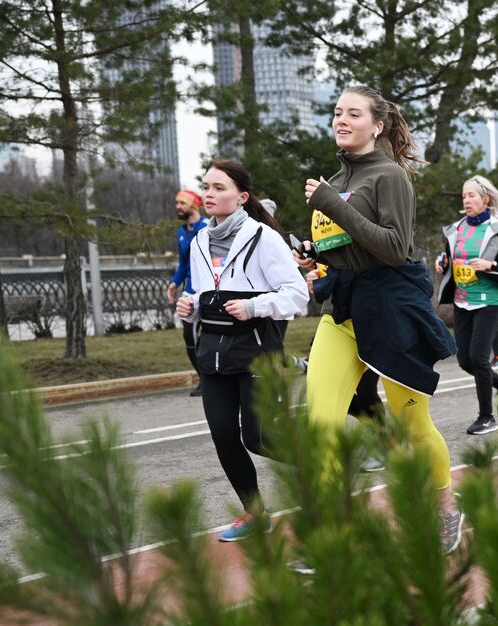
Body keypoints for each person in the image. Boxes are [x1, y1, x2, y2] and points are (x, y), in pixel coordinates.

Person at [300, 84, 464, 553]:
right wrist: (314, 261)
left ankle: (445, 509)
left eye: (353, 113)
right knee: (322, 425)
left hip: (391, 308)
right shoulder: (338, 179)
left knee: (412, 425)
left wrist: (331, 204)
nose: (341, 120)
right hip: (343, 313)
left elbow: (393, 247)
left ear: (378, 125)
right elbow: (344, 247)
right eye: (337, 112)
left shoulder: (389, 176)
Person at [176, 160, 308, 541]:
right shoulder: (201, 239)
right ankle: (255, 514)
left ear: (242, 197)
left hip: (255, 352)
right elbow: (204, 294)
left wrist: (254, 306)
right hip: (214, 353)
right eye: (206, 186)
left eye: (219, 187)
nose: (209, 193)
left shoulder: (263, 238)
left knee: (257, 437)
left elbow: (296, 295)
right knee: (223, 435)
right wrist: (190, 305)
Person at [436, 175, 498, 435]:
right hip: (463, 301)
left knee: (480, 358)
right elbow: (449, 258)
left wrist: (490, 266)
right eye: (464, 196)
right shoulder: (456, 229)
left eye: (472, 195)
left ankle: (486, 417)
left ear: (486, 200)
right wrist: (443, 263)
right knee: (464, 360)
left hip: (490, 301)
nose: (467, 200)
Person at [167, 189, 208, 396]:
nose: (178, 207)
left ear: (194, 205)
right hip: (188, 293)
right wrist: (174, 283)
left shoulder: (208, 227)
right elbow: (183, 263)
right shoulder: (181, 232)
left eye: (182, 203)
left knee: (208, 336)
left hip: (208, 292)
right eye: (177, 203)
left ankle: (212, 377)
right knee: (190, 338)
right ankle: (203, 378)